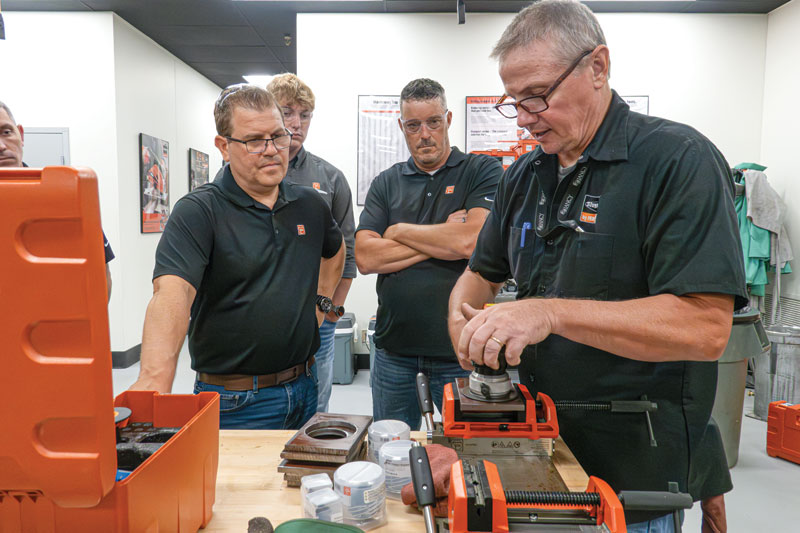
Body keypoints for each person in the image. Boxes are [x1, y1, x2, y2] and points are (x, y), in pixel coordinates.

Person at [448, 1, 747, 531]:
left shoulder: (678, 161)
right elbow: (480, 271)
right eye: (513, 102)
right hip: (538, 457)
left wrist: (550, 314)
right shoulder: (523, 175)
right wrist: (462, 319)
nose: (523, 116)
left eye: (538, 95)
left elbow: (704, 328)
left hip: (632, 478)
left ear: (598, 67)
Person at [129, 85, 345, 430]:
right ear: (224, 147)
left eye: (278, 136)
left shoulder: (310, 205)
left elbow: (336, 252)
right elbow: (172, 295)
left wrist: (321, 304)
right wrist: (153, 380)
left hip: (305, 387)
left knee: (305, 484)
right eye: (255, 140)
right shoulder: (199, 211)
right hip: (236, 402)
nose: (272, 150)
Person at [355, 78, 503, 430]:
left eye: (433, 122)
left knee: (467, 451)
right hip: (394, 353)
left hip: (460, 352)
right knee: (393, 451)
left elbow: (471, 242)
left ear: (448, 119)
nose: (424, 134)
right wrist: (443, 237)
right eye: (413, 125)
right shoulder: (386, 182)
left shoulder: (481, 171)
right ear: (401, 127)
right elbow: (365, 258)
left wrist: (399, 231)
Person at [266, 73, 357, 413]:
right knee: (266, 412)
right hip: (262, 322)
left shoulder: (329, 179)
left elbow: (347, 253)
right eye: (287, 112)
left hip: (316, 321)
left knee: (315, 413)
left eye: (305, 115)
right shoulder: (243, 173)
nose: (296, 123)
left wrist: (329, 314)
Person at [0, 100, 115, 298]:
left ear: (21, 134)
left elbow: (99, 275)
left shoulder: (65, 197)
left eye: (6, 132)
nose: (2, 146)